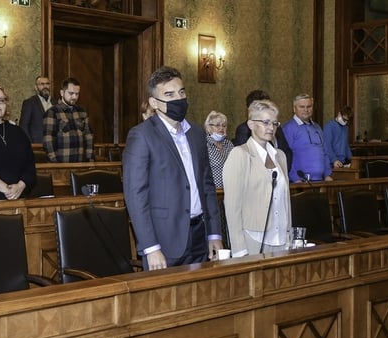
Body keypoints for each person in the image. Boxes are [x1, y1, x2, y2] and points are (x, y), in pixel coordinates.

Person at [122, 66, 223, 270]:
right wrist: (150, 247)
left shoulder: (196, 132)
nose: (178, 98)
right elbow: (135, 195)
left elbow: (207, 186)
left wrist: (214, 233)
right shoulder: (141, 135)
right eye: (169, 94)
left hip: (200, 236)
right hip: (164, 241)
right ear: (154, 102)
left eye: (182, 92)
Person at [222, 100, 291, 256]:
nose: (271, 128)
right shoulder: (240, 154)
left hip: (281, 237)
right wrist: (239, 249)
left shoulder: (280, 156)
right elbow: (232, 207)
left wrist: (289, 235)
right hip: (253, 239)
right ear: (251, 124)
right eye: (265, 122)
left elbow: (285, 200)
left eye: (274, 123)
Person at [233, 89, 293, 171]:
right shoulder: (243, 131)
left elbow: (286, 151)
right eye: (262, 107)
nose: (271, 128)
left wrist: (282, 170)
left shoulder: (277, 127)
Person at [281, 93, 332, 182]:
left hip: (321, 181)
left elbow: (325, 153)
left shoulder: (317, 127)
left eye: (309, 106)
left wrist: (327, 174)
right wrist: (295, 178)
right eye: (302, 107)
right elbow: (284, 156)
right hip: (299, 182)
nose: (306, 110)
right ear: (294, 109)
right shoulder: (288, 128)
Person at [42, 77, 94, 163]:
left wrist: (89, 159)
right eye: (71, 93)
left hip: (81, 163)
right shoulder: (52, 112)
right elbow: (48, 140)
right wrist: (55, 162)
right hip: (62, 163)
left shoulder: (82, 111)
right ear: (62, 93)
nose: (74, 97)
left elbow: (88, 136)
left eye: (77, 94)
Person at [204, 111, 234, 189]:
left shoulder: (229, 144)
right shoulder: (204, 144)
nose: (221, 128)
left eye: (224, 126)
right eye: (217, 125)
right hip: (212, 191)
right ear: (209, 128)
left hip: (229, 189)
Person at [19, 76, 53, 143]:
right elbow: (23, 126)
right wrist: (30, 144)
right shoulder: (29, 103)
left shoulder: (55, 102)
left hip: (54, 144)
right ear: (36, 87)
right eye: (42, 84)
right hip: (37, 145)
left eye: (47, 84)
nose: (45, 86)